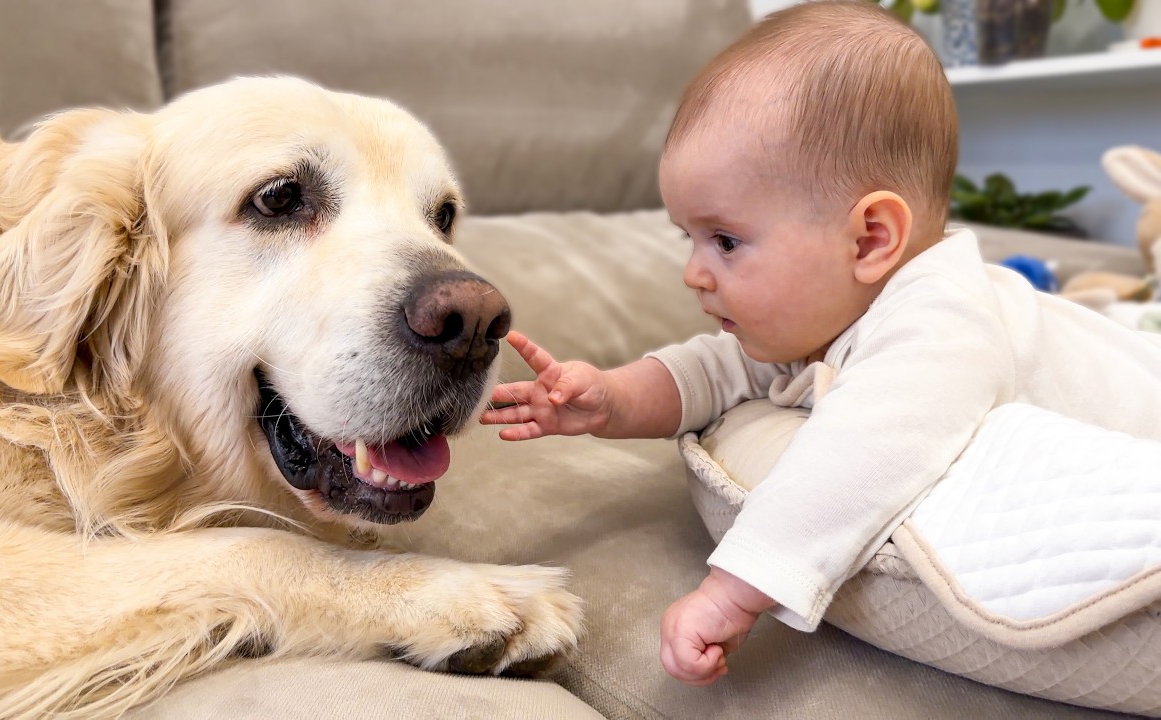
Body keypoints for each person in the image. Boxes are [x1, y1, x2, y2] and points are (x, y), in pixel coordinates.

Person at [480, 0, 1161, 688]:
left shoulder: (939, 318)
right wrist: (612, 398)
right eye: (688, 238)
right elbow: (714, 371)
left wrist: (735, 589)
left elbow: (866, 450)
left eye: (725, 240)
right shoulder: (819, 318)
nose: (693, 271)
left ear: (870, 240)